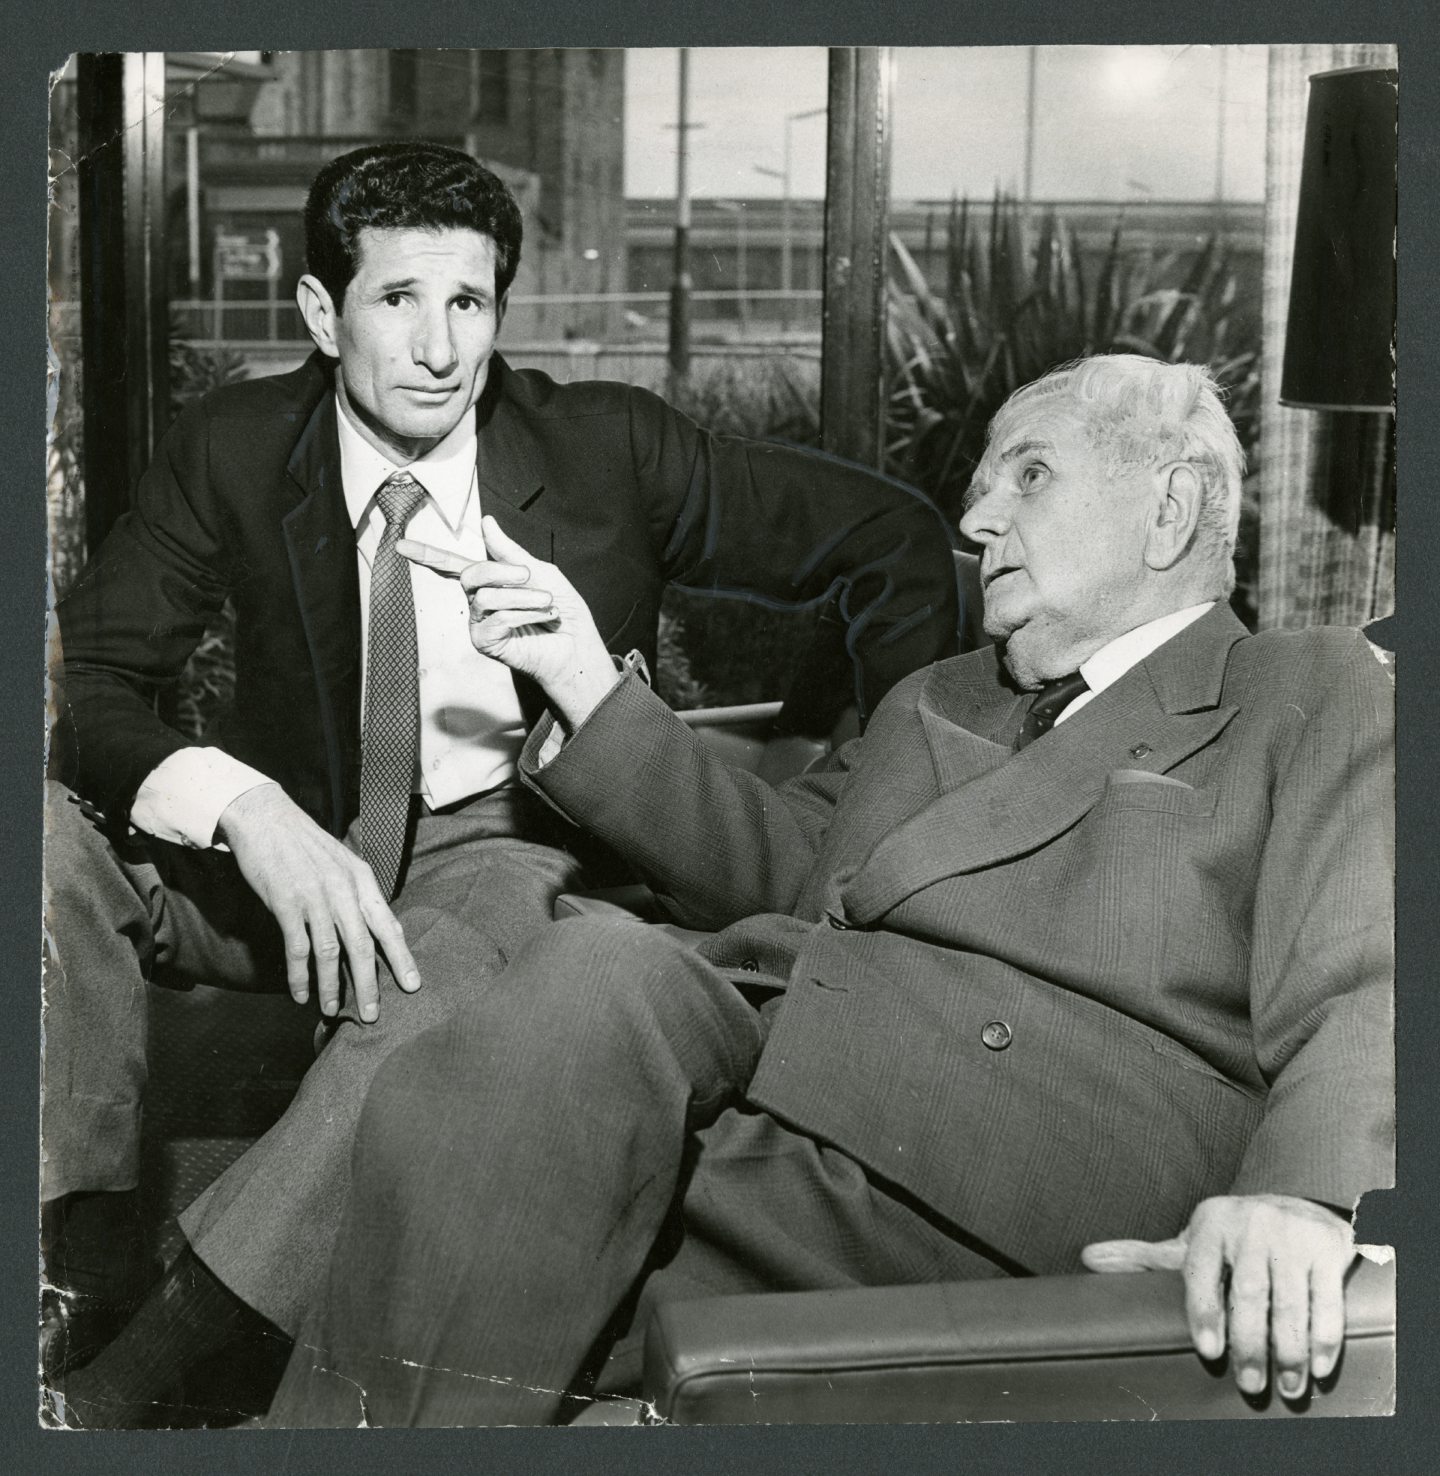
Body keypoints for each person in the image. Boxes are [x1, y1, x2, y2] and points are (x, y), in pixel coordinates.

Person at [257, 354, 1392, 1427]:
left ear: (1172, 509)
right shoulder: (941, 695)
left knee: (497, 1125)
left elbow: (1373, 976)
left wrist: (1310, 1201)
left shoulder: (1305, 686)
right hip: (783, 1085)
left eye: (1029, 476)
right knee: (557, 994)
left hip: (997, 1170)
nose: (978, 517)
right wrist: (580, 677)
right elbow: (789, 867)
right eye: (984, 484)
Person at [42, 140, 962, 1417]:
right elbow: (69, 679)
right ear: (321, 313)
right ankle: (59, 1289)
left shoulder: (607, 453)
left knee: (431, 997)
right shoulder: (240, 445)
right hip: (285, 853)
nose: (438, 349)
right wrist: (241, 807)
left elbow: (892, 541)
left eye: (467, 303)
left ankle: (129, 1393)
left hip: (499, 842)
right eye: (398, 301)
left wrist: (881, 800)